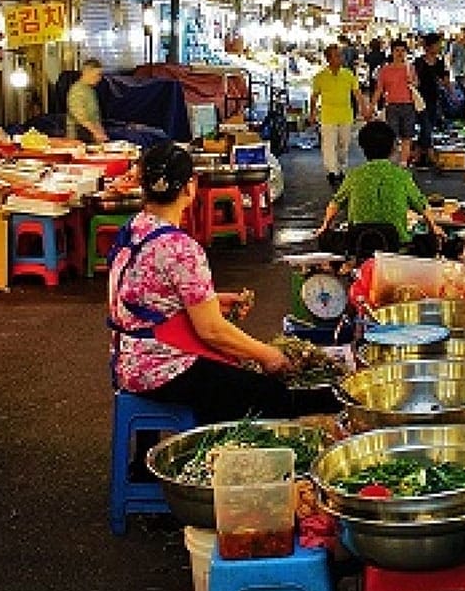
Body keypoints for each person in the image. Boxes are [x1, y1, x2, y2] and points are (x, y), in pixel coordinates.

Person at [108, 142, 294, 425]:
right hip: (162, 368)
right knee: (271, 394)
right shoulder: (181, 248)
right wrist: (267, 355)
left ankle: (146, 465)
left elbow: (147, 297)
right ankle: (209, 459)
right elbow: (212, 331)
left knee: (230, 378)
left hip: (127, 360)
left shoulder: (133, 229)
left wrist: (213, 299)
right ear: (189, 187)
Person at [316, 121, 442, 256]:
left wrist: (324, 227)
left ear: (362, 148)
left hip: (358, 244)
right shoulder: (401, 175)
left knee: (327, 238)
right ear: (393, 147)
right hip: (397, 246)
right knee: (428, 242)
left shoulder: (354, 175)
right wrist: (434, 228)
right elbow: (422, 205)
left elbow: (334, 204)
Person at [309, 44, 363, 187]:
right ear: (328, 58)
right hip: (327, 116)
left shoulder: (348, 74)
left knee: (343, 145)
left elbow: (357, 93)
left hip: (346, 115)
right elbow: (314, 97)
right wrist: (312, 113)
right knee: (329, 145)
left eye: (340, 55)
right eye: (337, 55)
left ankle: (342, 168)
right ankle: (333, 172)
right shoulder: (320, 77)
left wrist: (364, 108)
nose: (341, 58)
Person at [373, 39, 420, 167]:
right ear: (392, 52)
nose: (400, 53)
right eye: (397, 51)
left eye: (402, 51)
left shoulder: (410, 68)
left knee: (407, 135)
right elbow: (379, 89)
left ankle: (404, 162)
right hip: (392, 106)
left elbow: (416, 85)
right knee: (392, 135)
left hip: (408, 105)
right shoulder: (384, 70)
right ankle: (392, 161)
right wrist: (371, 106)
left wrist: (412, 81)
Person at [413, 33, 449, 167]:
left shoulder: (440, 62)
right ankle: (428, 152)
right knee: (426, 126)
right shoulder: (418, 63)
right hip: (420, 100)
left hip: (434, 99)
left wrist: (447, 84)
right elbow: (413, 81)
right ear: (429, 47)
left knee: (428, 126)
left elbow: (445, 79)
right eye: (437, 45)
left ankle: (419, 152)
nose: (439, 47)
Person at [67, 58, 108, 143]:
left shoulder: (90, 90)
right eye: (97, 74)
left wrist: (101, 132)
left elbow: (95, 116)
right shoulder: (77, 90)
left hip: (90, 135)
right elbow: (81, 118)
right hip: (78, 137)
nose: (99, 78)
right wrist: (97, 133)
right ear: (86, 72)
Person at [448, 30, 465, 96]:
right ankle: (461, 103)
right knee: (460, 88)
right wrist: (451, 67)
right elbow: (451, 57)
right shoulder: (454, 45)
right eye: (463, 33)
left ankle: (464, 102)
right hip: (457, 70)